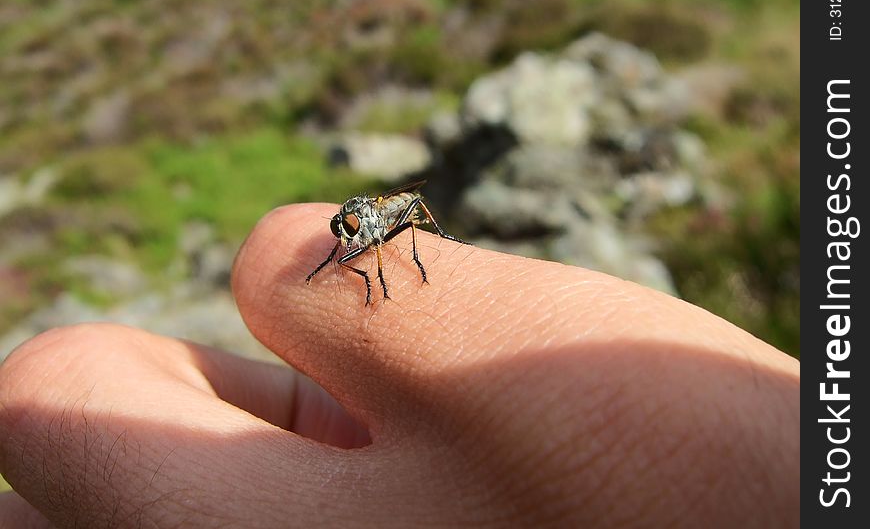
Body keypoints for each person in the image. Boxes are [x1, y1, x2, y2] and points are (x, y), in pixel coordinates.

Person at [0, 203, 799, 528]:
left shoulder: (382, 221)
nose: (353, 226)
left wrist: (379, 257)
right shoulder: (345, 225)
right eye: (351, 222)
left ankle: (395, 264)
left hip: (397, 237)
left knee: (385, 252)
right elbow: (344, 232)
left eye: (355, 222)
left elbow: (387, 222)